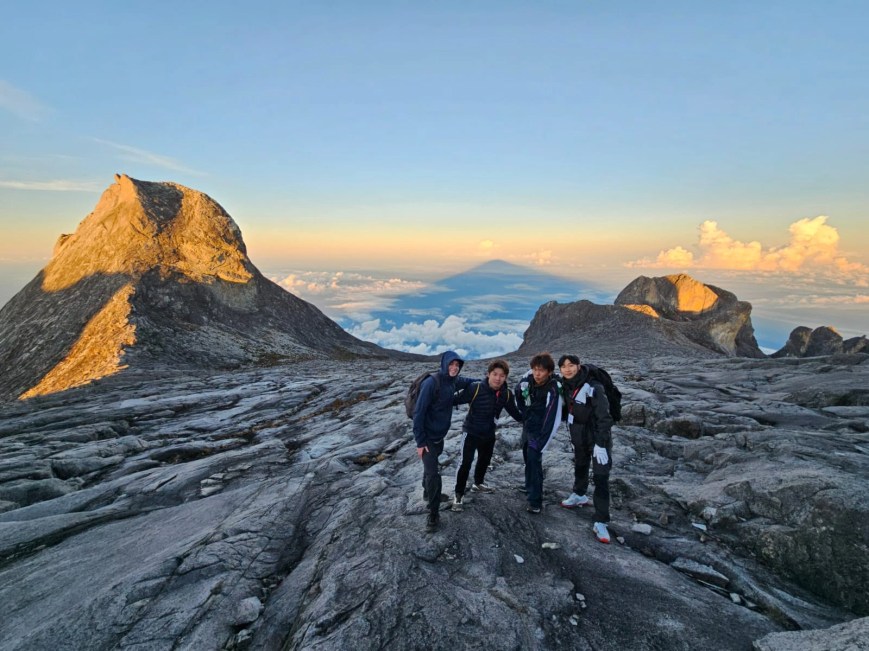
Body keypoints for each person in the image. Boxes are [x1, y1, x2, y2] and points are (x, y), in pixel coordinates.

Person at [412, 350, 474, 532]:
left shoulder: (453, 381)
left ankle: (427, 492)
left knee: (430, 469)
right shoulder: (432, 383)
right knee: (434, 474)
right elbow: (418, 413)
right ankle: (433, 514)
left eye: (457, 365)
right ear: (444, 364)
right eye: (451, 364)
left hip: (439, 437)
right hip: (427, 438)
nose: (454, 368)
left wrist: (487, 381)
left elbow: (468, 381)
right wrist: (420, 443)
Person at [451, 359, 524, 512]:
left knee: (484, 460)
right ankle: (458, 494)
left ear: (506, 377)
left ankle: (478, 484)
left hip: (489, 433)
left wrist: (530, 421)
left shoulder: (506, 394)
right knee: (465, 463)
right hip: (471, 431)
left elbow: (515, 413)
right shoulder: (476, 388)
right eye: (495, 374)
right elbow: (455, 400)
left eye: (502, 376)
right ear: (488, 374)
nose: (498, 378)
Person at [558, 354, 614, 543]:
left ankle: (601, 520)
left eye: (571, 365)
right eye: (563, 366)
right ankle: (579, 494)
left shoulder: (593, 387)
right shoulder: (565, 384)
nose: (567, 369)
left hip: (596, 436)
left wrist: (601, 444)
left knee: (601, 476)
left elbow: (605, 418)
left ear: (579, 366)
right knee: (580, 464)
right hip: (578, 434)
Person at [515, 352, 562, 514]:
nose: (537, 373)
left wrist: (542, 442)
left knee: (534, 461)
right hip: (528, 425)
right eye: (535, 369)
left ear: (549, 372)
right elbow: (518, 395)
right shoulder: (527, 380)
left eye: (541, 370)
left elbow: (551, 418)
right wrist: (524, 414)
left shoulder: (553, 389)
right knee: (527, 456)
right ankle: (529, 485)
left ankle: (535, 501)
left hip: (540, 430)